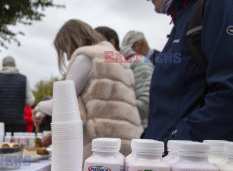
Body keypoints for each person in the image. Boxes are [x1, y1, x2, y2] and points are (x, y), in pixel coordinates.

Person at [34, 19, 143, 159]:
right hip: (128, 138)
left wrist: (40, 107)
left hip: (102, 146)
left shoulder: (86, 58)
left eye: (65, 50)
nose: (67, 57)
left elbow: (64, 101)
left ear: (71, 42)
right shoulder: (116, 58)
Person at [144, 0, 233, 142]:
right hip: (166, 159)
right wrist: (146, 142)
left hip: (191, 159)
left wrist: (175, 144)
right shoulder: (182, 20)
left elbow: (227, 94)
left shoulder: (215, 5)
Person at [0, 56, 35, 137]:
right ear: (14, 65)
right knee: (18, 148)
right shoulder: (23, 79)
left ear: (3, 65)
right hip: (18, 123)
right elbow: (30, 101)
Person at [121, 30, 154, 129]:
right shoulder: (141, 62)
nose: (149, 49)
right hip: (140, 131)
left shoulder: (121, 63)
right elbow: (146, 104)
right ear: (141, 44)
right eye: (146, 44)